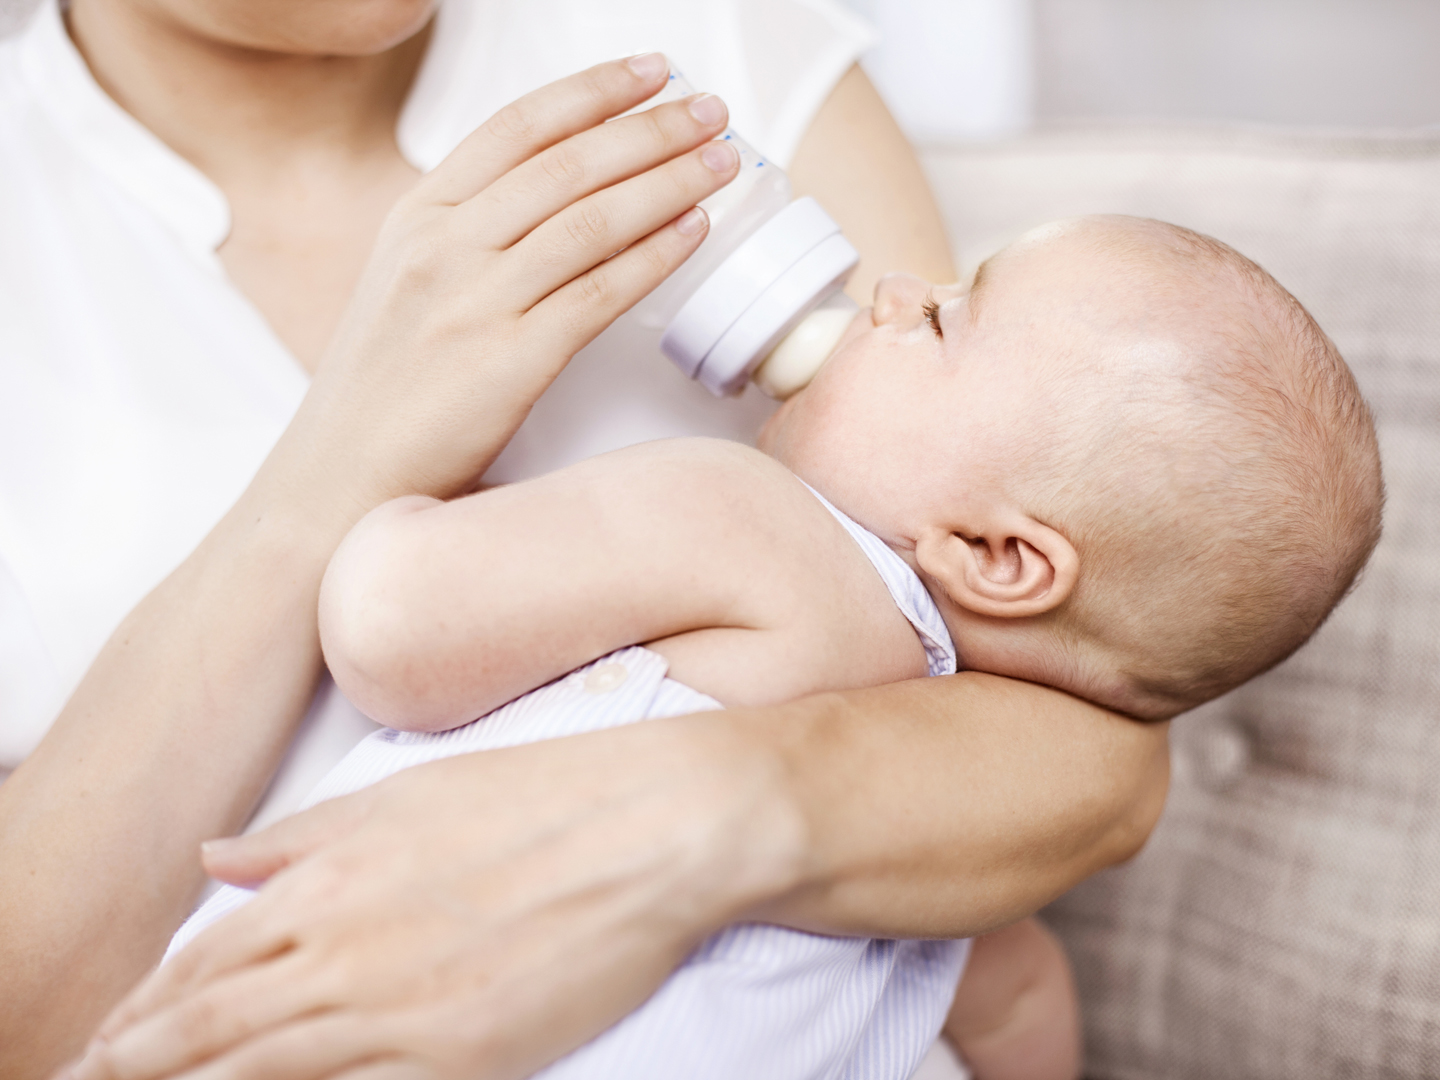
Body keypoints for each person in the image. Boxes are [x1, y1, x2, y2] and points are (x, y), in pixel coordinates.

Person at [0, 2, 1169, 1076]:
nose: (897, 313)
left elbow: (1095, 726)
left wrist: (673, 837)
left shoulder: (705, 48)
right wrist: (340, 461)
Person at [87, 216, 1381, 1080]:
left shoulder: (752, 527)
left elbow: (389, 624)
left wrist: (434, 460)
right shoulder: (966, 880)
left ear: (998, 557)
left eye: (944, 318)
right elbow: (1021, 1015)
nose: (894, 289)